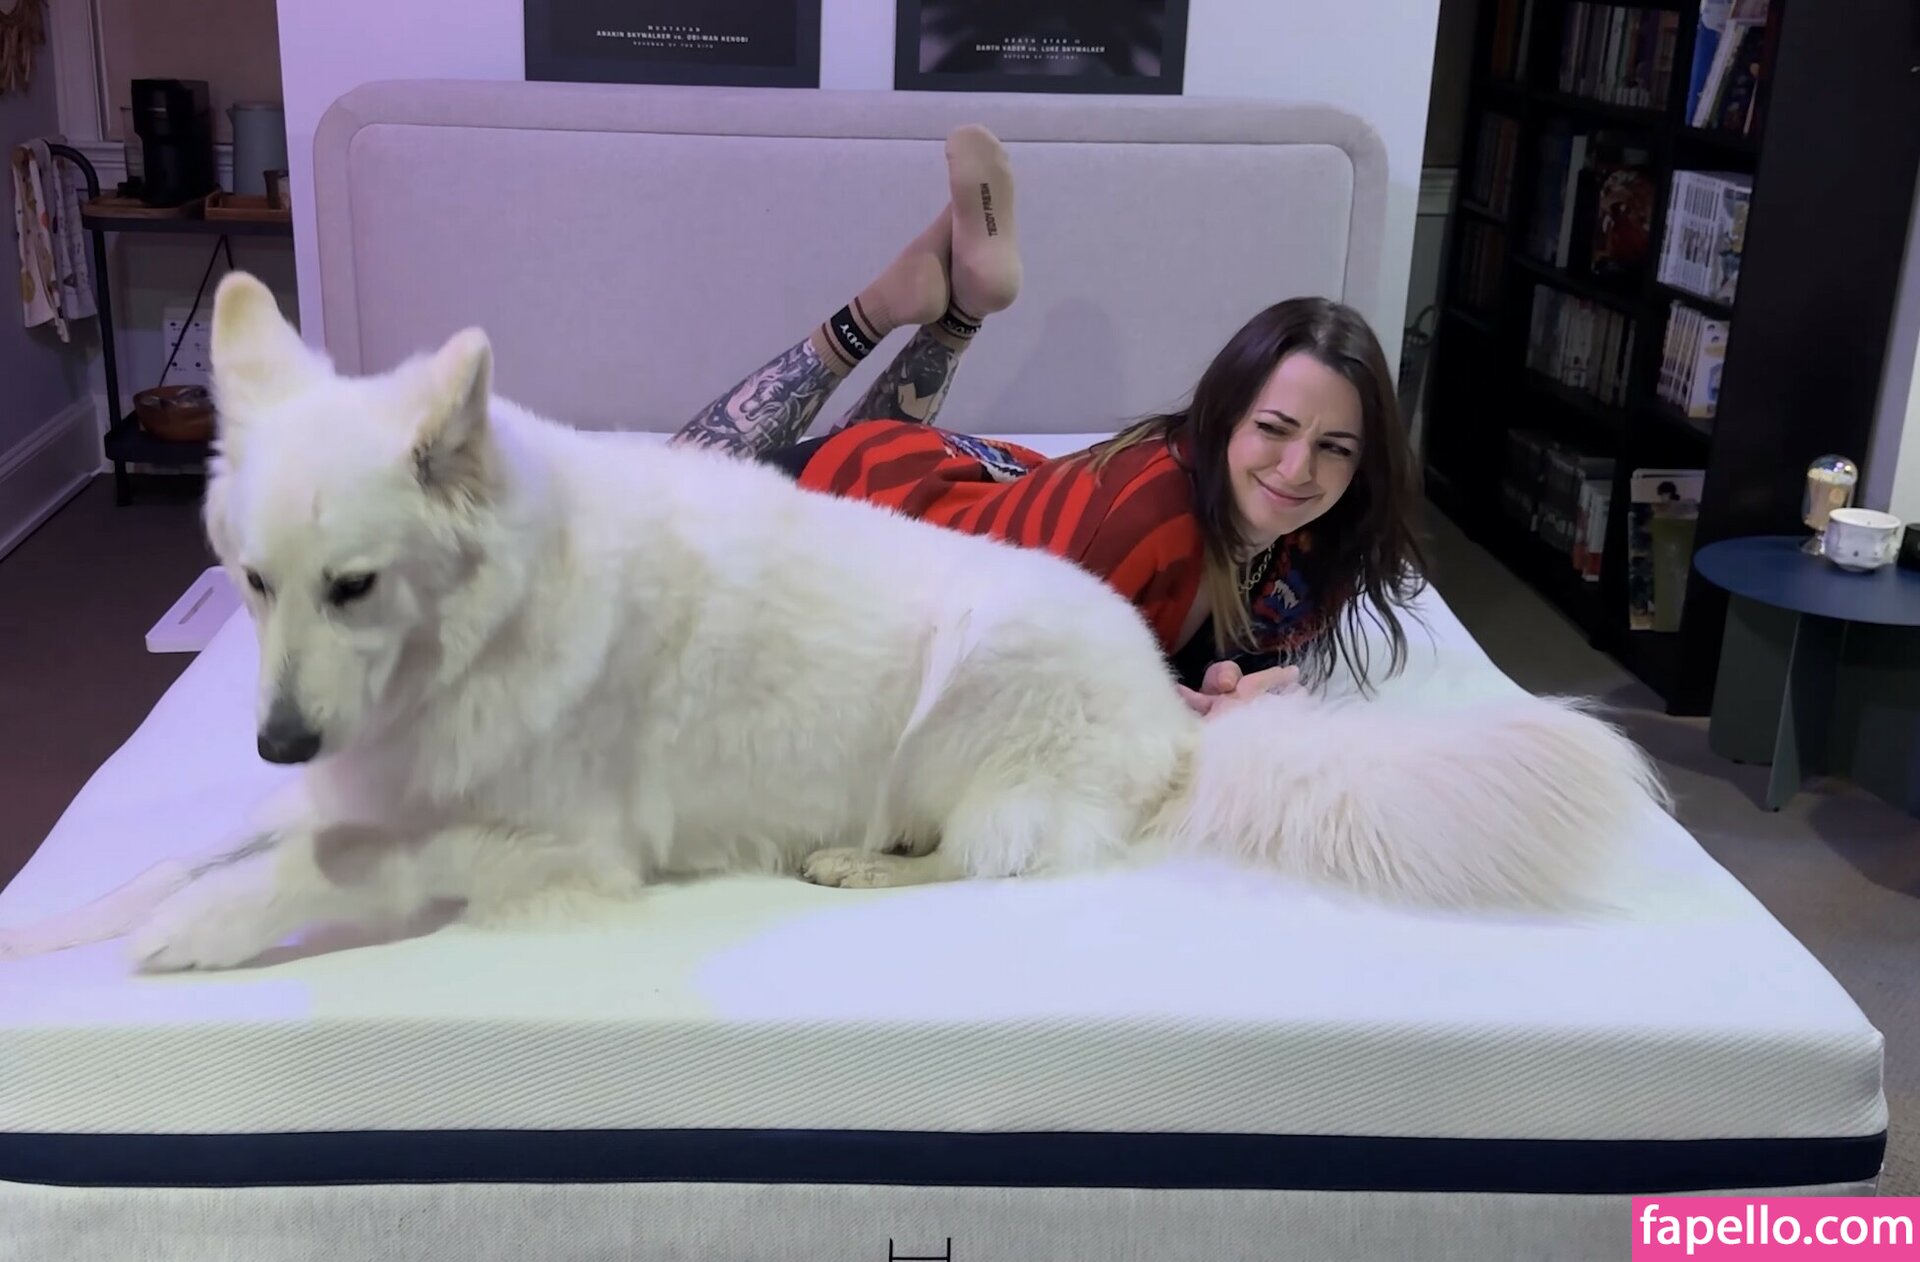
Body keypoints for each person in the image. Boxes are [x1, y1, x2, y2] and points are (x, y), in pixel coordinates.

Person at [671, 125, 1428, 716]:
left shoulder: (1318, 536)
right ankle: (879, 312)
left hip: (967, 483)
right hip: (869, 511)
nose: (1298, 470)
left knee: (862, 448)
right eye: (1273, 429)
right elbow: (1006, 698)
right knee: (674, 489)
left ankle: (953, 313)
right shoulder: (1141, 532)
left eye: (1335, 447)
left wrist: (1254, 691)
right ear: (1225, 415)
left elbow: (1250, 658)